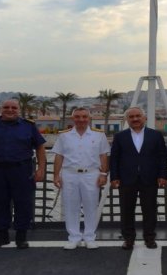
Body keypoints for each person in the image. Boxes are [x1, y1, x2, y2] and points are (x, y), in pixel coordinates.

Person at [0, 99, 47, 250]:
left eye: (14, 107)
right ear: (1, 109)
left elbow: (40, 147)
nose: (10, 110)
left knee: (23, 203)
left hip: (22, 170)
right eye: (6, 107)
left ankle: (21, 236)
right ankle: (1, 236)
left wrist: (41, 169)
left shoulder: (28, 126)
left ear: (19, 109)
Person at [110, 107, 167, 250]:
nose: (135, 119)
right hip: (126, 180)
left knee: (150, 210)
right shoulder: (120, 136)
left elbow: (162, 157)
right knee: (126, 210)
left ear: (144, 118)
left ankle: (149, 238)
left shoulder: (156, 135)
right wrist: (114, 177)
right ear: (127, 120)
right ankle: (128, 239)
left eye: (138, 116)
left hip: (150, 179)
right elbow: (114, 159)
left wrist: (163, 175)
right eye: (131, 117)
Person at [52, 107, 110, 250]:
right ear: (73, 119)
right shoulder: (64, 136)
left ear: (89, 118)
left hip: (91, 174)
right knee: (71, 207)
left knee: (91, 206)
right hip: (69, 174)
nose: (81, 119)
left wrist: (103, 174)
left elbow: (103, 155)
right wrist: (56, 175)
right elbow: (59, 156)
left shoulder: (99, 135)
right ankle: (74, 237)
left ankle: (90, 237)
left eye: (84, 116)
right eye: (77, 117)